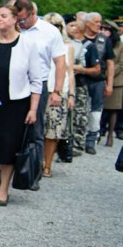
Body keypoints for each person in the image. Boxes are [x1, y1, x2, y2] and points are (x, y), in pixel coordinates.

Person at [0, 5, 44, 205]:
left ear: (15, 19)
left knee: (8, 146)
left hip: (15, 104)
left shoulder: (28, 44)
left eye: (4, 16)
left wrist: (33, 109)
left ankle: (3, 188)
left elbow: (36, 80)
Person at [13, 0, 66, 170]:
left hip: (38, 84)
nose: (20, 22)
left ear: (32, 13)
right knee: (10, 127)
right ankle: (3, 172)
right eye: (17, 18)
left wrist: (57, 90)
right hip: (13, 82)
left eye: (22, 19)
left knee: (36, 130)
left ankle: (33, 171)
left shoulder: (49, 32)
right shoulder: (13, 28)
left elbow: (60, 62)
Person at [41, 13, 74, 176]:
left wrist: (71, 94)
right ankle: (36, 161)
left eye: (58, 25)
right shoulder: (40, 42)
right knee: (38, 129)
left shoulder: (68, 46)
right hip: (41, 89)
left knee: (53, 131)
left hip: (59, 91)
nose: (56, 29)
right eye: (52, 25)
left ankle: (47, 164)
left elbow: (70, 71)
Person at [81, 11, 115, 154]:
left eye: (100, 22)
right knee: (80, 110)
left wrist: (109, 84)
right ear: (87, 23)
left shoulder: (104, 40)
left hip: (98, 80)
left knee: (95, 111)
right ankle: (76, 140)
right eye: (96, 21)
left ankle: (91, 141)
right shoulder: (80, 38)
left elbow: (110, 63)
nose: (99, 25)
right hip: (80, 80)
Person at [68, 18, 98, 155]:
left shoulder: (89, 46)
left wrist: (81, 69)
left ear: (79, 29)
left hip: (80, 84)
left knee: (80, 116)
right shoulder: (67, 44)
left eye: (74, 26)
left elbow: (96, 69)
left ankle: (78, 145)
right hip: (67, 83)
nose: (71, 28)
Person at [105, 25, 123, 146]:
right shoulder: (102, 42)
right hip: (99, 78)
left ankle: (111, 134)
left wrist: (108, 73)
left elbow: (122, 63)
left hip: (116, 80)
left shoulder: (121, 45)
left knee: (113, 109)